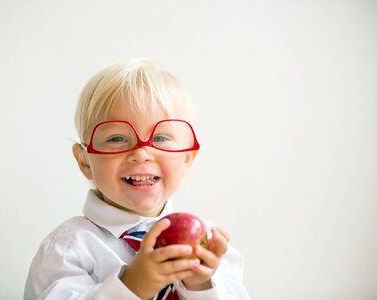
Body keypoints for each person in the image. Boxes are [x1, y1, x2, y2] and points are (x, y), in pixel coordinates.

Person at [24, 58, 250, 300]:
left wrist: (200, 286)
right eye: (117, 138)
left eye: (161, 138)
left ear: (187, 159)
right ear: (85, 161)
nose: (141, 154)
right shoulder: (67, 250)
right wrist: (131, 287)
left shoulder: (209, 246)